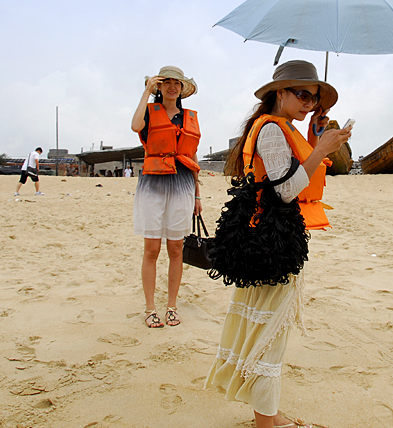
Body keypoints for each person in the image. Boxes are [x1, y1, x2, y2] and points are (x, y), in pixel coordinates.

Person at [205, 60, 352, 428]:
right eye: (302, 95)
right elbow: (285, 190)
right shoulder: (271, 130)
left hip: (267, 237)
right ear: (280, 93)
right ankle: (266, 422)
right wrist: (321, 149)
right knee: (270, 333)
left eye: (314, 99)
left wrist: (318, 136)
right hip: (271, 241)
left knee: (262, 327)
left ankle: (266, 414)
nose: (308, 103)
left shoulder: (279, 127)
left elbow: (296, 174)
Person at [131, 65, 201, 329]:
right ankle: (150, 308)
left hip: (182, 185)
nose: (172, 87)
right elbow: (135, 126)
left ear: (182, 88)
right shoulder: (149, 112)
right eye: (167, 82)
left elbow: (192, 157)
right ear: (159, 87)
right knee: (151, 249)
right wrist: (146, 93)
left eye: (177, 83)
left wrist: (197, 196)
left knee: (176, 248)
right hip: (153, 184)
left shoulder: (189, 117)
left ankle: (172, 306)